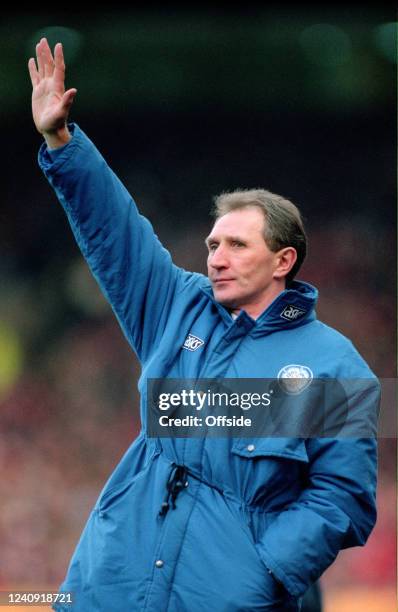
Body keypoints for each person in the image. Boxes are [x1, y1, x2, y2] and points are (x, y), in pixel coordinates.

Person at [28, 38, 379, 612]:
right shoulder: (176, 307)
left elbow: (342, 499)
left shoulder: (337, 368)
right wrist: (62, 142)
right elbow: (117, 233)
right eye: (213, 243)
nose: (215, 256)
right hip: (107, 583)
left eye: (237, 245)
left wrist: (258, 573)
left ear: (283, 261)